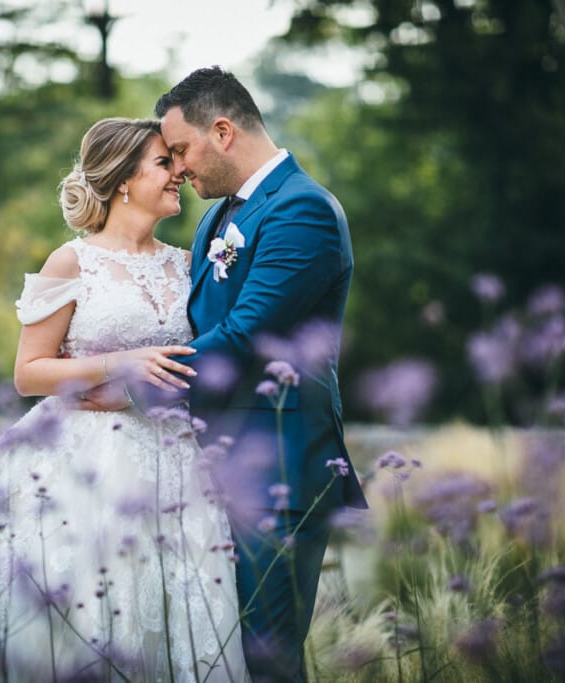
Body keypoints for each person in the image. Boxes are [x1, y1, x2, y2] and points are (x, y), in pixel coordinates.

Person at [0, 118, 248, 682]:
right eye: (165, 163)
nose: (179, 174)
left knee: (166, 614)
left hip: (173, 461)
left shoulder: (187, 264)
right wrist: (118, 366)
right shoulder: (71, 262)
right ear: (123, 179)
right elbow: (29, 372)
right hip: (80, 460)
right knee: (80, 616)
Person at [155, 66, 369, 682]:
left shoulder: (303, 210)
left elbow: (246, 336)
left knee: (266, 659)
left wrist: (128, 382)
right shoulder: (214, 217)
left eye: (180, 151)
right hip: (212, 465)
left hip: (279, 466)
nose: (176, 168)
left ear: (222, 131)